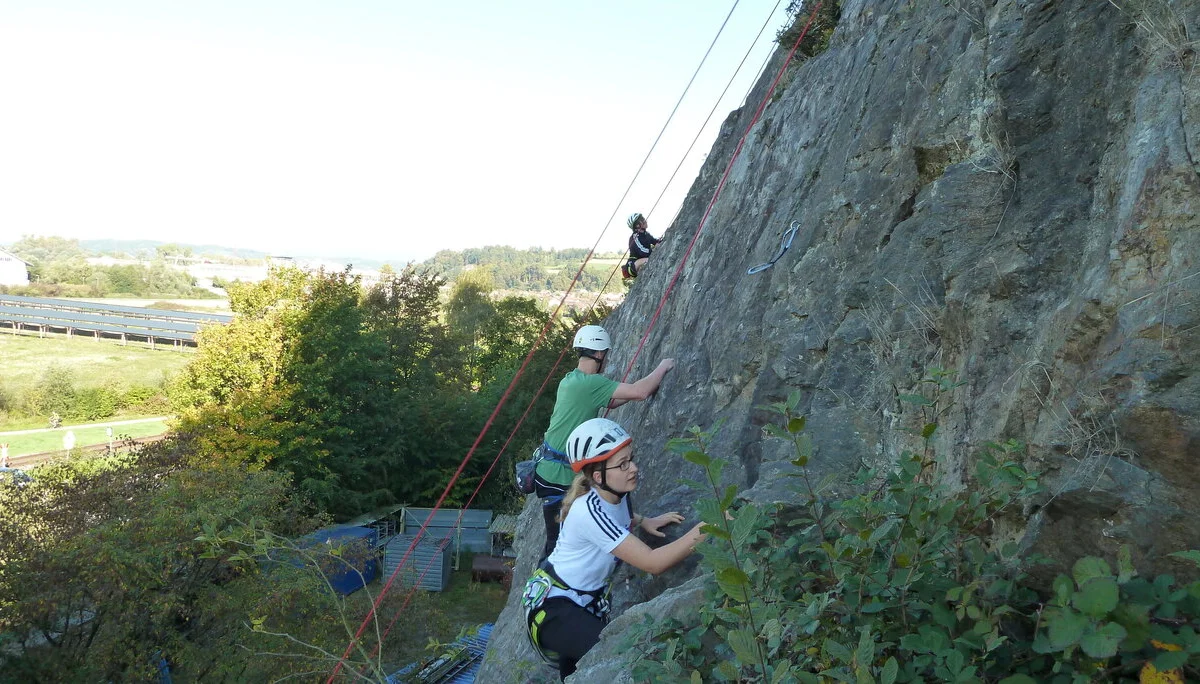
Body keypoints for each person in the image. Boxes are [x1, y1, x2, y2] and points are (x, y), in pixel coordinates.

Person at [523, 418, 705, 680]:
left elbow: (620, 514)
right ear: (598, 476)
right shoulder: (588, 511)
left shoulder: (617, 492)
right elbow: (653, 563)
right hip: (555, 609)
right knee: (614, 663)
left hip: (578, 603)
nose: (633, 468)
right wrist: (706, 528)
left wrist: (644, 521)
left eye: (631, 459)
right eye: (622, 464)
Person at [532, 324, 674, 558]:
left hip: (549, 471)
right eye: (605, 353)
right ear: (599, 354)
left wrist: (630, 392)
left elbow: (612, 401)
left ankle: (642, 523)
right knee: (558, 545)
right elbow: (640, 392)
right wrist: (663, 366)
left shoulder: (571, 381)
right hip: (561, 477)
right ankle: (546, 590)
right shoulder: (590, 383)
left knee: (565, 532)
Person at [622, 212, 661, 279]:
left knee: (649, 259)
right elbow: (642, 251)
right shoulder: (634, 238)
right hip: (633, 264)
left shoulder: (646, 234)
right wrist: (654, 250)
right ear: (637, 225)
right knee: (650, 260)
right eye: (642, 219)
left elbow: (655, 241)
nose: (645, 220)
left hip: (640, 261)